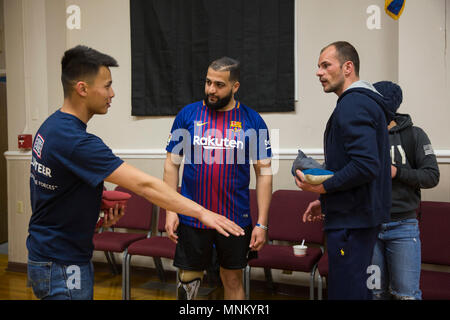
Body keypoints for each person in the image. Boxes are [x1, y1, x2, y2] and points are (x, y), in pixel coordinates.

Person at [27, 45, 245, 300]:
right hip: (63, 265)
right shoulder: (75, 141)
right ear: (82, 89)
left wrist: (95, 205)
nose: (112, 93)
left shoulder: (51, 126)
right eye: (107, 86)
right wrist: (203, 213)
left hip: (49, 255)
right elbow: (145, 186)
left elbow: (56, 188)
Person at [164, 57, 273, 300]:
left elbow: (264, 174)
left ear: (235, 87)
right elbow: (171, 165)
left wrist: (262, 223)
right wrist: (171, 210)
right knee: (188, 280)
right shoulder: (188, 114)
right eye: (208, 82)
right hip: (192, 217)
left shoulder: (253, 120)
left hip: (234, 220)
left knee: (232, 279)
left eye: (219, 85)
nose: (211, 90)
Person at [294, 41, 394, 300]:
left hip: (352, 221)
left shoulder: (353, 104)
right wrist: (325, 198)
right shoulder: (362, 102)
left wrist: (322, 186)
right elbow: (354, 164)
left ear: (348, 67)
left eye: (326, 65)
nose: (319, 72)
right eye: (318, 67)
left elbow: (365, 165)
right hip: (355, 215)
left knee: (347, 293)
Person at [370, 81, 440, 300]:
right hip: (369, 226)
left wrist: (396, 172)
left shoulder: (415, 135)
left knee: (406, 295)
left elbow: (431, 176)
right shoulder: (364, 136)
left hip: (403, 228)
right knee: (374, 293)